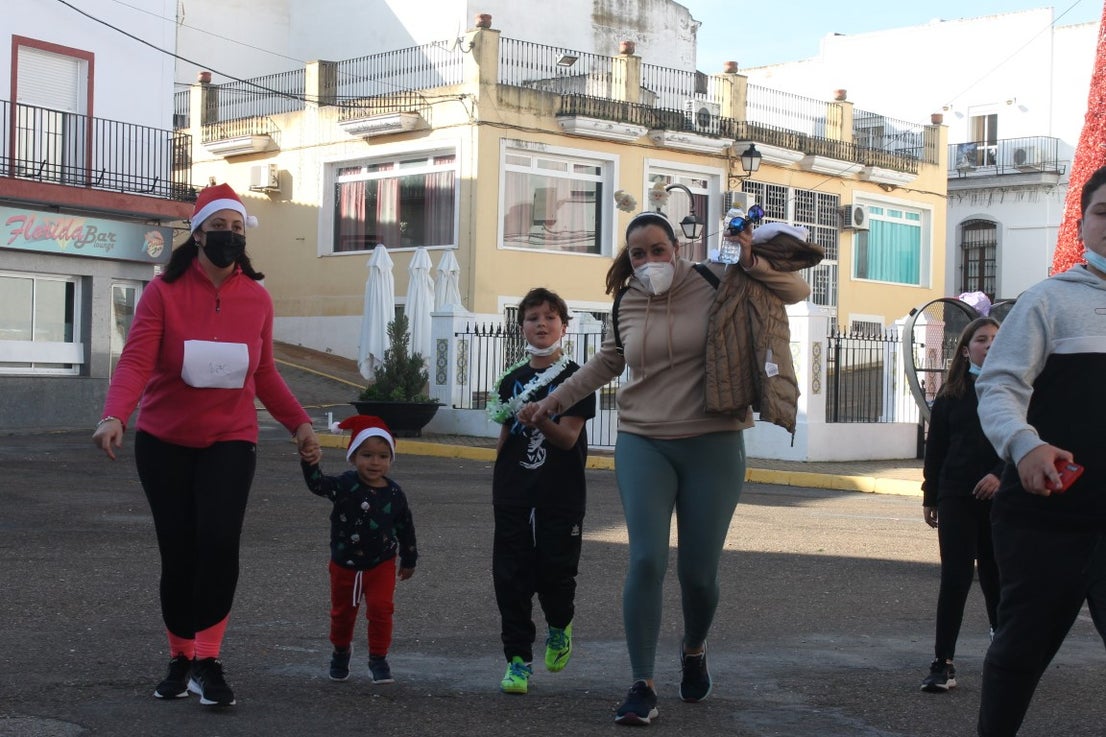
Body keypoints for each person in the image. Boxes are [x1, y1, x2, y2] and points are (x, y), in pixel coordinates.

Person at [519, 211, 809, 725]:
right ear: (628, 259)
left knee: (699, 575)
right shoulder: (626, 300)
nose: (649, 260)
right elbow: (608, 361)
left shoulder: (715, 279)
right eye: (638, 253)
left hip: (714, 442)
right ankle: (641, 684)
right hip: (643, 441)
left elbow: (794, 291)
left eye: (657, 249)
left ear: (676, 247)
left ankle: (694, 649)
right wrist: (552, 400)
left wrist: (747, 256)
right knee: (647, 560)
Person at [92, 183, 321, 707]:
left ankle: (208, 661)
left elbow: (264, 373)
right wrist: (115, 415)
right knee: (179, 551)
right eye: (219, 228)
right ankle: (180, 656)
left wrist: (299, 424)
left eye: (237, 229)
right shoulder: (163, 293)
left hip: (230, 439)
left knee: (218, 542)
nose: (229, 237)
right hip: (164, 441)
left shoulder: (257, 298)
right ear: (197, 235)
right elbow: (136, 362)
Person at [974, 165, 1106, 736]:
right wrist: (1023, 447)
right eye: (1105, 212)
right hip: (1049, 515)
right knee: (1020, 651)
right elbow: (999, 384)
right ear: (1083, 225)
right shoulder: (1048, 301)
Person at [487, 288, 596, 695]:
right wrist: (498, 474)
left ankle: (559, 625)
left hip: (559, 493)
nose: (542, 324)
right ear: (522, 328)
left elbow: (568, 440)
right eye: (533, 317)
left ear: (564, 327)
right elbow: (503, 431)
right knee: (510, 578)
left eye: (551, 317)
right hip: (514, 493)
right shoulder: (511, 379)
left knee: (556, 573)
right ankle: (517, 660)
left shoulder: (578, 377)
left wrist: (539, 420)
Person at [919, 316, 1002, 693]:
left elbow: (1027, 440)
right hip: (956, 496)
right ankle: (943, 663)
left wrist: (1001, 474)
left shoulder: (1015, 390)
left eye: (995, 339)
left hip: (1002, 500)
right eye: (981, 339)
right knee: (954, 579)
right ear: (966, 350)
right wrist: (930, 496)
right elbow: (935, 450)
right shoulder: (950, 396)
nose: (988, 344)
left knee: (997, 576)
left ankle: (1005, 651)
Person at [302, 414, 417, 684]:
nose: (374, 462)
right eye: (366, 455)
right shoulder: (345, 485)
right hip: (345, 564)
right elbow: (317, 485)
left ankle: (378, 658)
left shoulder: (395, 493)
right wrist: (310, 463)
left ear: (390, 459)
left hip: (382, 564)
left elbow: (405, 527)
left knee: (381, 609)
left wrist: (409, 558)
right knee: (343, 613)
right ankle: (340, 651)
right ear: (353, 457)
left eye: (382, 456)